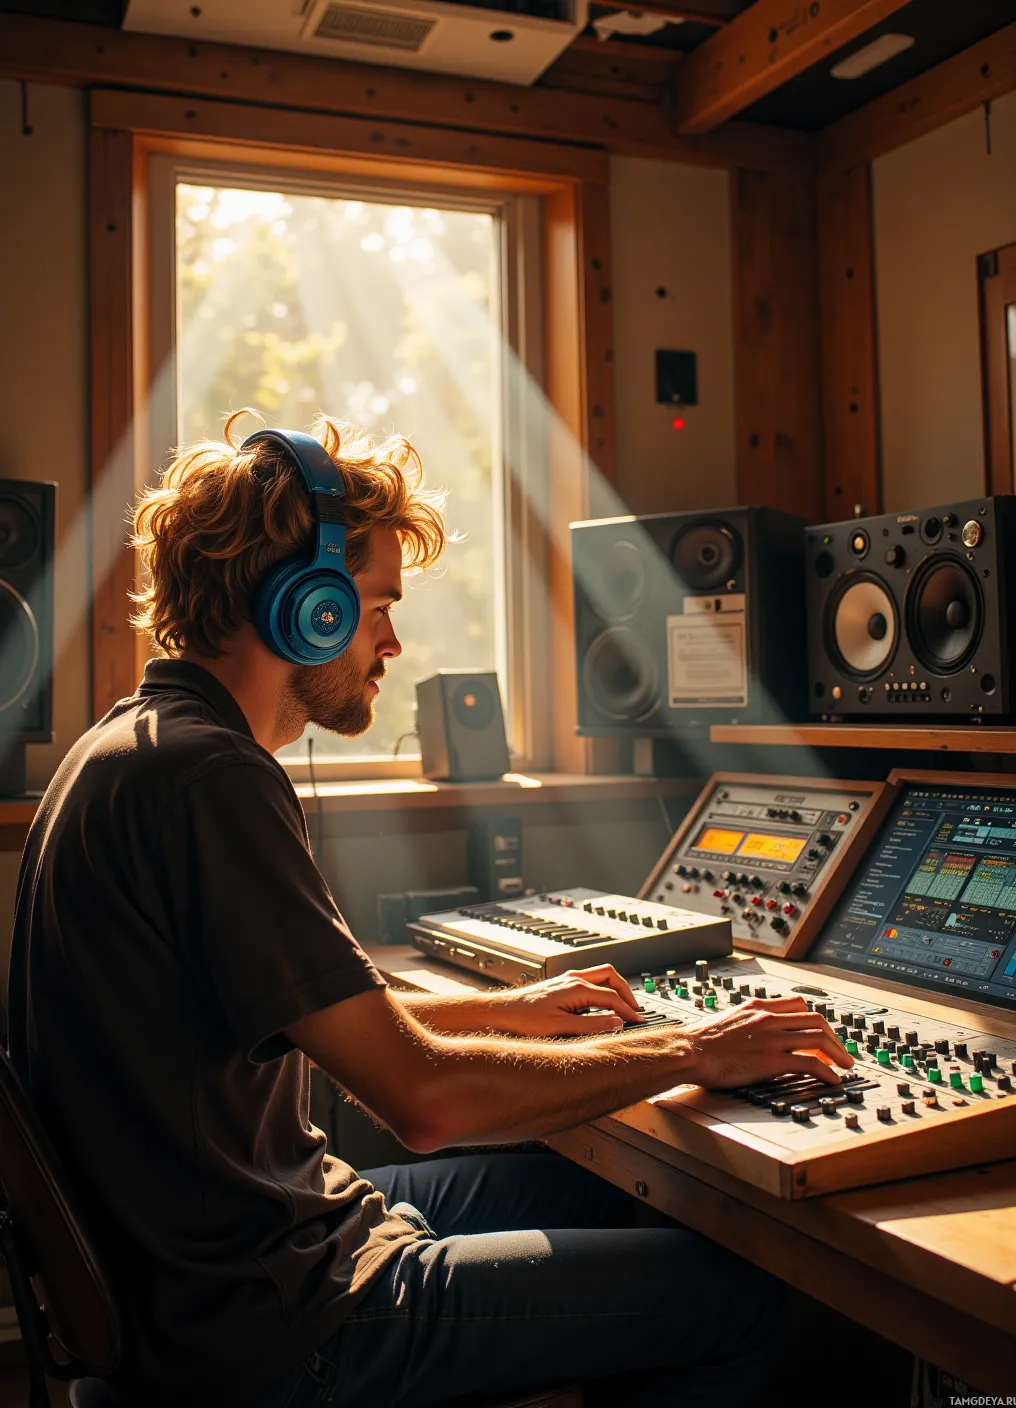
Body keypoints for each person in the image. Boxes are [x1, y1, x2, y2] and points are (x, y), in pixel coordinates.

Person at [5, 411, 853, 1408]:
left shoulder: (133, 745)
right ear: (302, 607)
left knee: (603, 1188)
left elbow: (321, 1021)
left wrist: (507, 1010)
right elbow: (423, 1102)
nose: (391, 642)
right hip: (273, 1322)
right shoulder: (207, 779)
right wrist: (692, 1052)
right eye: (373, 607)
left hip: (224, 1265)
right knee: (740, 1295)